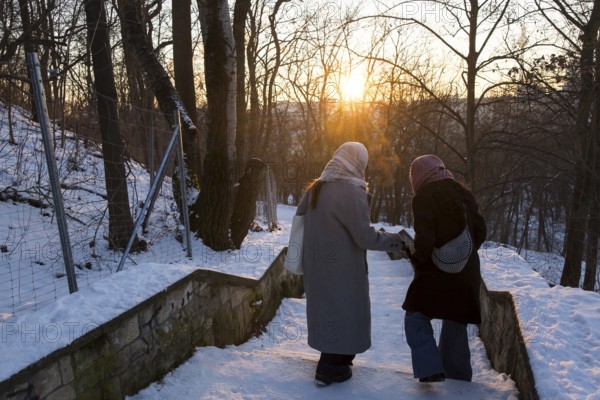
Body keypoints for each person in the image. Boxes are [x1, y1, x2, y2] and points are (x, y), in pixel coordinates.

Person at [295, 142, 404, 386]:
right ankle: (331, 368)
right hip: (341, 266)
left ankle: (335, 360)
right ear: (358, 163)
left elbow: (301, 216)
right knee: (347, 309)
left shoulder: (317, 187)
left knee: (328, 309)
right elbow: (365, 237)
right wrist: (396, 241)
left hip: (316, 263)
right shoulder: (351, 190)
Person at [401, 154, 487, 383]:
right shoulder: (464, 194)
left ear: (419, 176)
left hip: (436, 272)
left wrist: (419, 260)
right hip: (467, 274)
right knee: (455, 322)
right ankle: (458, 381)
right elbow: (480, 232)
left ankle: (429, 369)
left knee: (415, 317)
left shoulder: (424, 197)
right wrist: (463, 255)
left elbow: (425, 238)